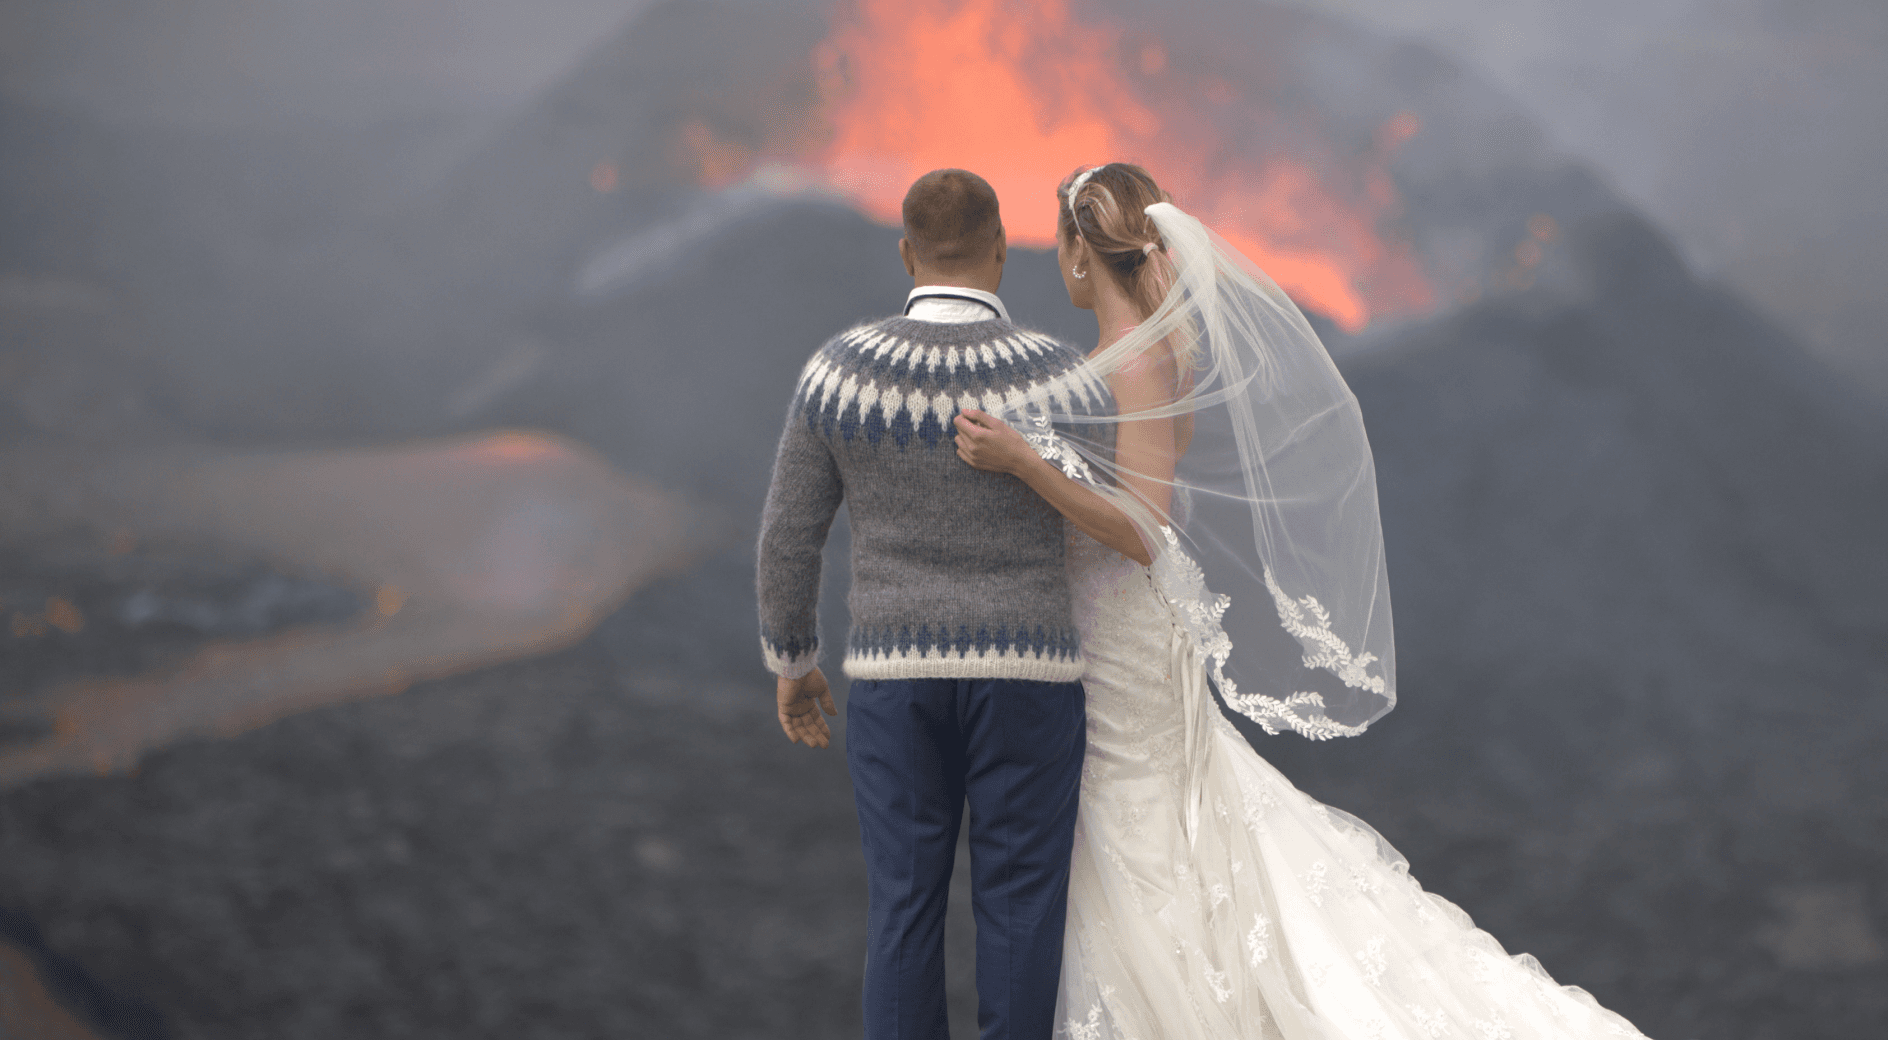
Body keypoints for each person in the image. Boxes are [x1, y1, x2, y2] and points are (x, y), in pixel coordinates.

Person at [951, 163, 1652, 1039]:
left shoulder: (1128, 365)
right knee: (1164, 811)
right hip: (1133, 630)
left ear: (1079, 252)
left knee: (1134, 817)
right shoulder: (1160, 356)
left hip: (1122, 633)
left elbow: (1142, 526)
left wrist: (1024, 464)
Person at [756, 168, 1106, 1040]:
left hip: (894, 681)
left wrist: (792, 663)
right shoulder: (1065, 381)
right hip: (1032, 679)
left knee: (904, 907)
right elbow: (1108, 530)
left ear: (908, 253)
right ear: (999, 248)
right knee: (1023, 908)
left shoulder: (837, 376)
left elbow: (788, 537)